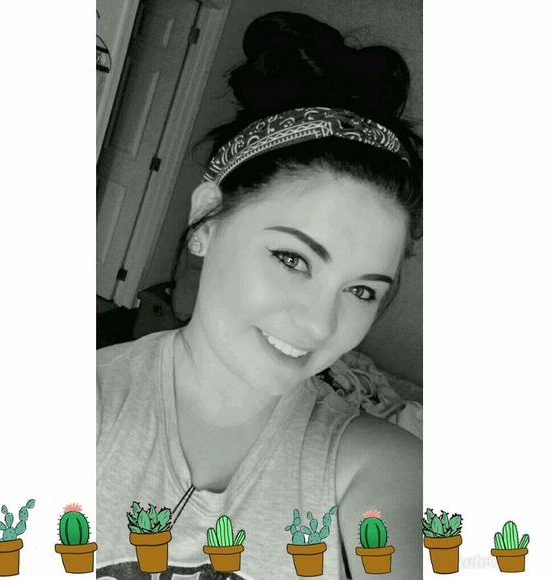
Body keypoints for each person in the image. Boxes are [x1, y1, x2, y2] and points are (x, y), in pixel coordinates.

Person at [97, 11, 422, 580]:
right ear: (206, 217)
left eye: (361, 290)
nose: (320, 325)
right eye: (293, 259)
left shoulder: (378, 470)